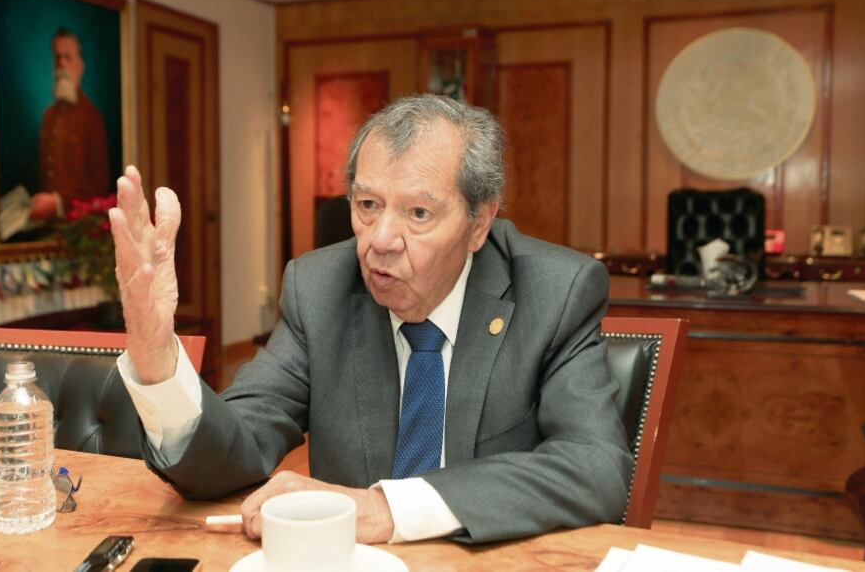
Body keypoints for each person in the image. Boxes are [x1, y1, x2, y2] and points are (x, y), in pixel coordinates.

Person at [110, 94, 632, 545]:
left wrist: (387, 508)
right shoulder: (320, 288)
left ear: (481, 221)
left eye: (418, 214)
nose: (380, 240)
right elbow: (234, 452)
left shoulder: (556, 292)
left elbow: (595, 469)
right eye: (367, 204)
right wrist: (157, 360)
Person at [29, 28, 110, 221]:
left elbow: (100, 184)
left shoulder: (92, 117)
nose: (61, 64)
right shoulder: (48, 116)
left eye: (67, 57)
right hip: (47, 227)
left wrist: (57, 203)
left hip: (79, 227)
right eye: (57, 58)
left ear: (80, 65)